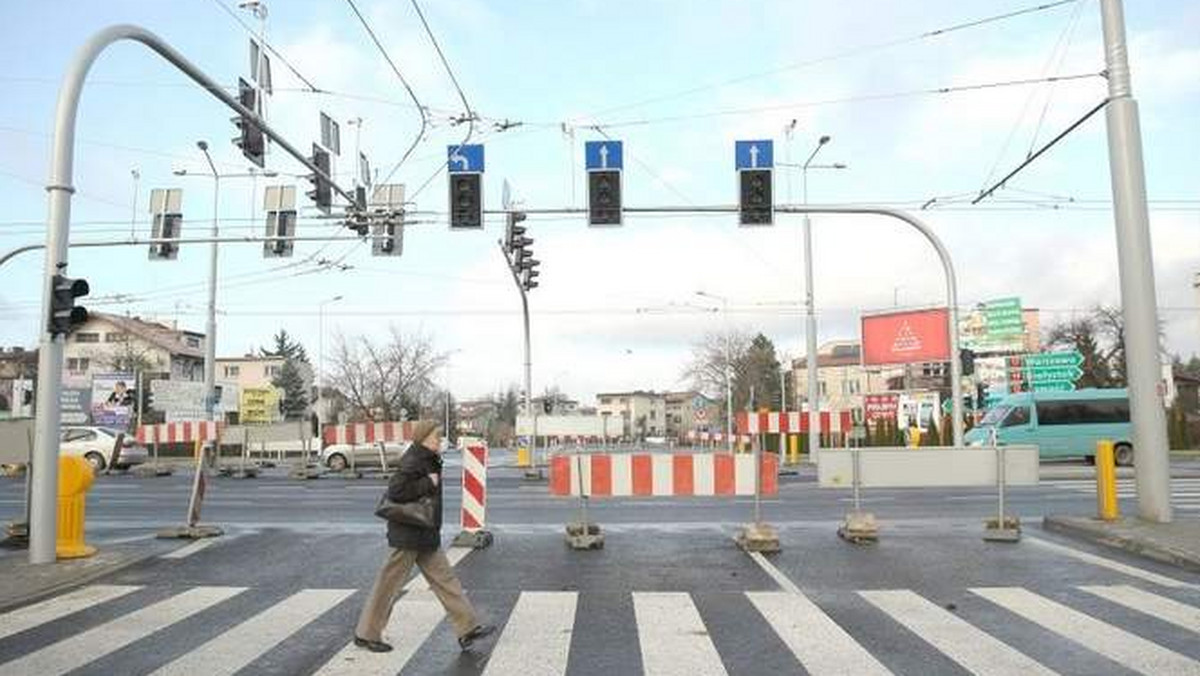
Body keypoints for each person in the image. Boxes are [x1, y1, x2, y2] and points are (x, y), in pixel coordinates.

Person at [354, 420, 495, 653]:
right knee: (388, 586)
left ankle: (467, 628)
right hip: (408, 535)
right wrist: (426, 482)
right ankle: (367, 634)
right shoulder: (414, 459)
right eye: (436, 437)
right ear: (424, 439)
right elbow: (396, 491)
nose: (439, 440)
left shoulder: (428, 457)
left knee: (446, 581)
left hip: (424, 533)